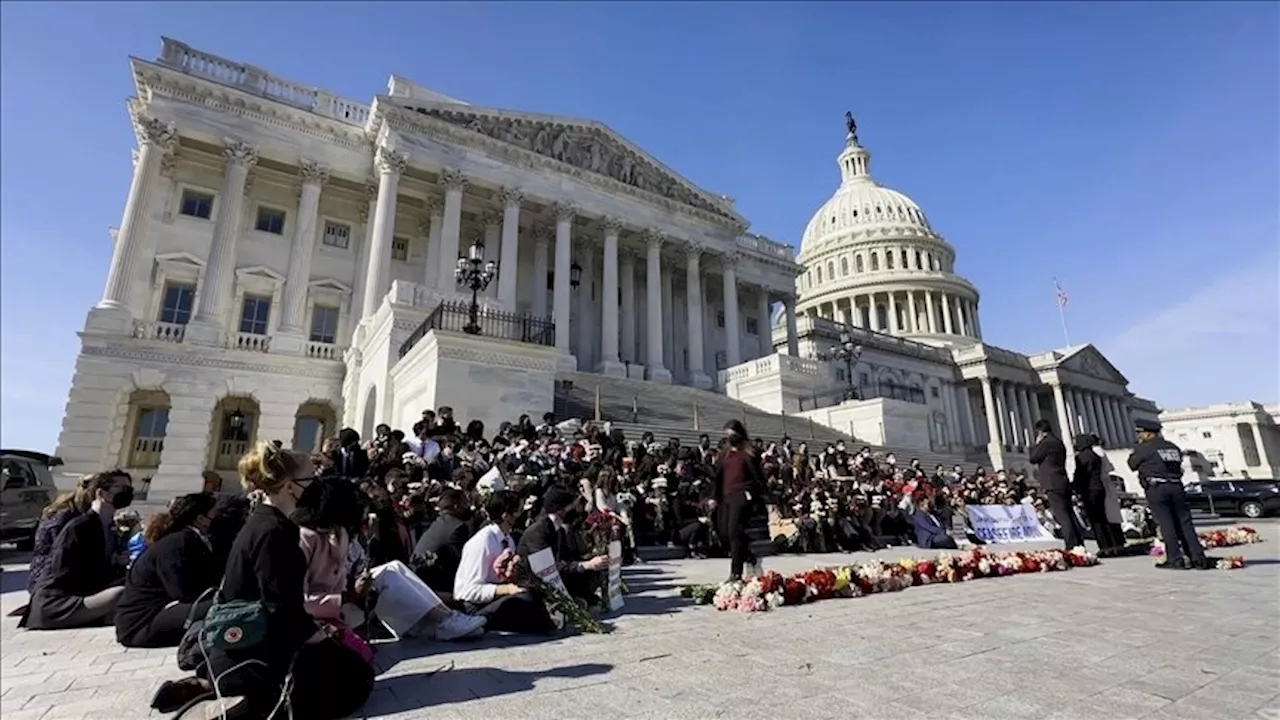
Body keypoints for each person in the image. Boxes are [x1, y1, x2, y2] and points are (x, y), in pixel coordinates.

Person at [150, 442, 373, 718]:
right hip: (252, 650)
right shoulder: (276, 533)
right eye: (310, 478)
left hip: (242, 642)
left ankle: (216, 686)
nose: (316, 484)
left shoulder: (265, 522)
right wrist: (321, 639)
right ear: (291, 485)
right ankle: (248, 702)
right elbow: (281, 609)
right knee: (357, 678)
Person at [295, 478, 484, 641]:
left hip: (351, 601)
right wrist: (351, 594)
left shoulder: (343, 535)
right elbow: (298, 600)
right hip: (324, 615)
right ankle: (443, 621)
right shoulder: (304, 540)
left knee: (393, 569)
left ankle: (445, 618)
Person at [25, 471, 134, 631]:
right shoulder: (80, 527)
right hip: (59, 602)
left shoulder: (108, 526)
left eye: (129, 489)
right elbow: (66, 573)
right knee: (120, 594)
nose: (127, 493)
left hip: (83, 594)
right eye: (121, 488)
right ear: (101, 493)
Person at [115, 493, 220, 648]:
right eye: (215, 514)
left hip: (154, 617)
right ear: (200, 519)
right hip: (141, 625)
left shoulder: (190, 540)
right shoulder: (178, 543)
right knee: (221, 609)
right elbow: (182, 591)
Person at [455, 490, 555, 634]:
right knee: (522, 601)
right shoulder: (483, 542)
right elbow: (466, 591)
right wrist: (505, 589)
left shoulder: (508, 539)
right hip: (476, 606)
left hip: (496, 598)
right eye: (519, 511)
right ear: (506, 515)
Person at [1127, 419, 1210, 570]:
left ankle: (1175, 559)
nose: (1139, 436)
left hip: (1157, 488)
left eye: (1140, 433)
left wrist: (1137, 449)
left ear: (1147, 433)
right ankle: (1197, 557)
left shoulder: (1145, 448)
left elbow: (1132, 464)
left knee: (1166, 524)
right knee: (1185, 522)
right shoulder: (1173, 447)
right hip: (1176, 486)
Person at [517, 485, 610, 602]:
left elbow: (567, 559)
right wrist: (586, 565)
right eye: (572, 506)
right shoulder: (538, 532)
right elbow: (546, 567)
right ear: (561, 510)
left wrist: (591, 561)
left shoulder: (557, 529)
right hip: (534, 581)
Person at [713, 420, 766, 582]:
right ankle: (749, 555)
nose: (729, 437)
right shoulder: (724, 454)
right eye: (727, 434)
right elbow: (718, 477)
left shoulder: (749, 453)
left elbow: (758, 478)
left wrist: (757, 496)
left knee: (734, 532)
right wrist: (713, 497)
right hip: (725, 497)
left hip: (742, 496)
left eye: (732, 433)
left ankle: (735, 573)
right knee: (724, 532)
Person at [1029, 419, 1083, 549]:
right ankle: (1079, 543)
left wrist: (1037, 444)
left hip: (1051, 482)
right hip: (1062, 480)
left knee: (1061, 514)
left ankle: (1071, 545)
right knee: (1069, 513)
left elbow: (1033, 458)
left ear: (1040, 431)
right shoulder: (1059, 443)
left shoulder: (1045, 443)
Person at [1071, 435, 1125, 558]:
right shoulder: (1095, 455)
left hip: (1090, 489)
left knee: (1096, 520)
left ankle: (1104, 547)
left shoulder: (1082, 456)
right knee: (1104, 518)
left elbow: (1081, 474)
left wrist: (1074, 487)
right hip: (1100, 488)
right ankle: (1112, 546)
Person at [411, 488, 474, 593]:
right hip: (436, 589)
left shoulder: (438, 523)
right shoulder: (458, 527)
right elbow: (462, 564)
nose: (469, 507)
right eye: (465, 503)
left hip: (420, 583)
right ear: (456, 506)